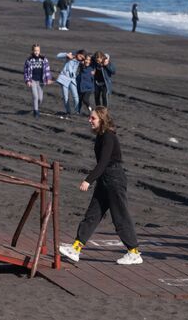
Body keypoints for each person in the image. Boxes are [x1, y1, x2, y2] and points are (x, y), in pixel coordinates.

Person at [59, 107, 143, 265]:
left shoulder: (108, 137)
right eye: (90, 118)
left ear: (102, 120)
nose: (89, 120)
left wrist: (88, 180)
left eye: (93, 118)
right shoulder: (101, 136)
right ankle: (76, 248)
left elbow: (104, 162)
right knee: (93, 214)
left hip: (114, 179)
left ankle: (134, 252)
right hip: (105, 180)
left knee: (120, 216)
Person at [24, 44, 52, 118]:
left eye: (38, 50)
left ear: (40, 51)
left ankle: (36, 106)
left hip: (41, 81)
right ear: (32, 51)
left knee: (40, 98)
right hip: (32, 80)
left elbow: (47, 70)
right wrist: (27, 80)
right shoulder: (29, 60)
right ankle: (35, 111)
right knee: (35, 97)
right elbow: (26, 71)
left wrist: (48, 79)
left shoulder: (44, 59)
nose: (36, 52)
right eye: (35, 50)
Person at [57, 50, 85, 116]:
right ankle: (68, 111)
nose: (80, 58)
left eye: (82, 58)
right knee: (65, 97)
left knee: (76, 96)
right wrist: (66, 54)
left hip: (72, 80)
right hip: (64, 79)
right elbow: (58, 56)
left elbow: (88, 60)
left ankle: (77, 111)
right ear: (78, 53)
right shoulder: (70, 57)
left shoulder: (79, 61)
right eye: (80, 56)